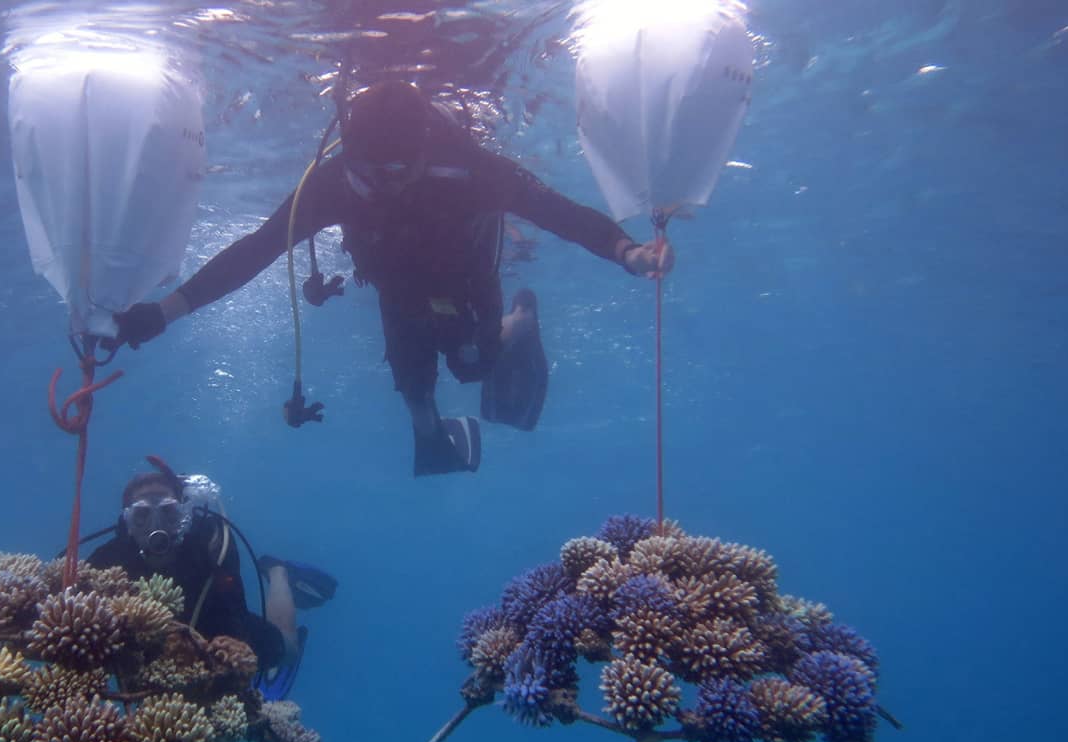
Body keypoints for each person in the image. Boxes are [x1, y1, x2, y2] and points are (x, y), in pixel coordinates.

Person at [107, 81, 674, 476]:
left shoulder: (472, 171)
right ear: (348, 156)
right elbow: (256, 251)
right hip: (396, 286)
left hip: (468, 279)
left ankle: (523, 317)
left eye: (395, 171)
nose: (378, 184)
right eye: (365, 171)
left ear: (424, 153)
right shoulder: (331, 184)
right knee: (411, 384)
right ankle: (432, 437)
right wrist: (164, 311)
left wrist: (626, 251)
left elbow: (559, 213)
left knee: (472, 365)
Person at [85, 457, 337, 698]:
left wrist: (223, 670)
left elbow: (235, 618)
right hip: (150, 648)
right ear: (127, 522)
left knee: (288, 652)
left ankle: (278, 571)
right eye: (141, 515)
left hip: (217, 621)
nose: (156, 525)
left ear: (184, 514)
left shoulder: (213, 543)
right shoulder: (108, 558)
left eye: (169, 512)